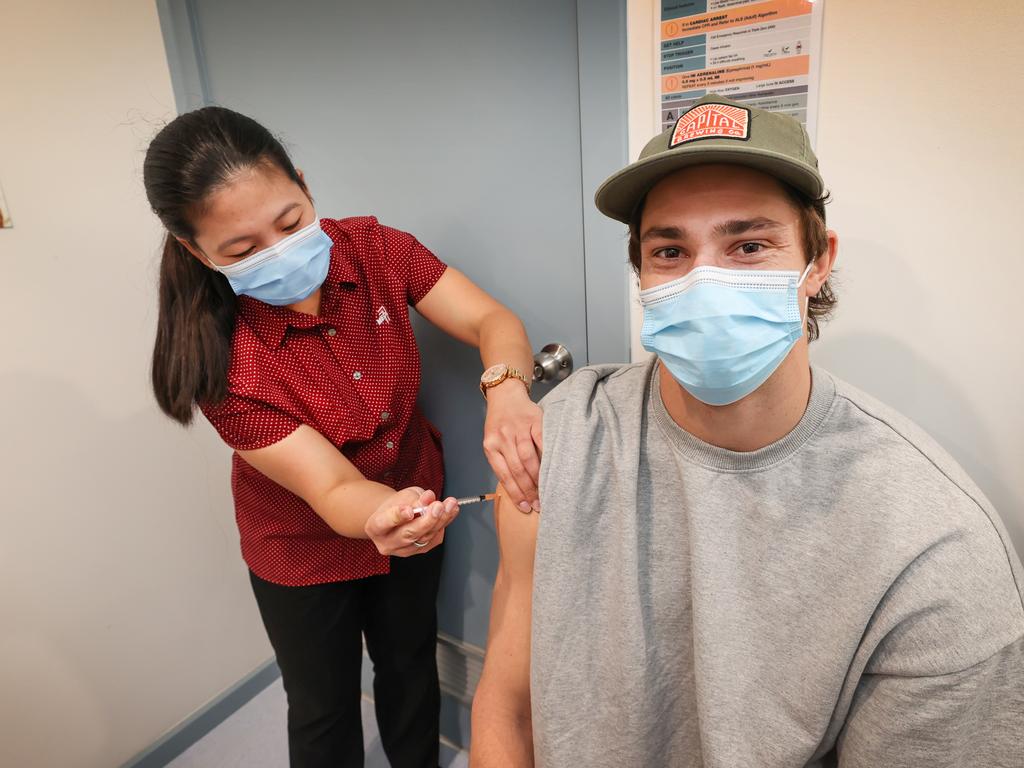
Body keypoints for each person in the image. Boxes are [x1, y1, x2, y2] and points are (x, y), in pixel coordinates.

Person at [470, 94, 1024, 767]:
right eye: (670, 249)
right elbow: (509, 707)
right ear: (641, 274)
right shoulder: (565, 440)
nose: (707, 279)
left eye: (750, 244)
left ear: (817, 261)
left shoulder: (932, 548)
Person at [143, 106, 543, 768]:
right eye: (242, 251)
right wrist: (379, 514)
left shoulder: (376, 250)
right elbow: (331, 487)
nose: (278, 252)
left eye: (291, 222)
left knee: (410, 667)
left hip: (410, 500)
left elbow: (489, 319)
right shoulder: (223, 364)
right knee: (324, 706)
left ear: (304, 184)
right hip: (300, 547)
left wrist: (506, 388)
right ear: (196, 252)